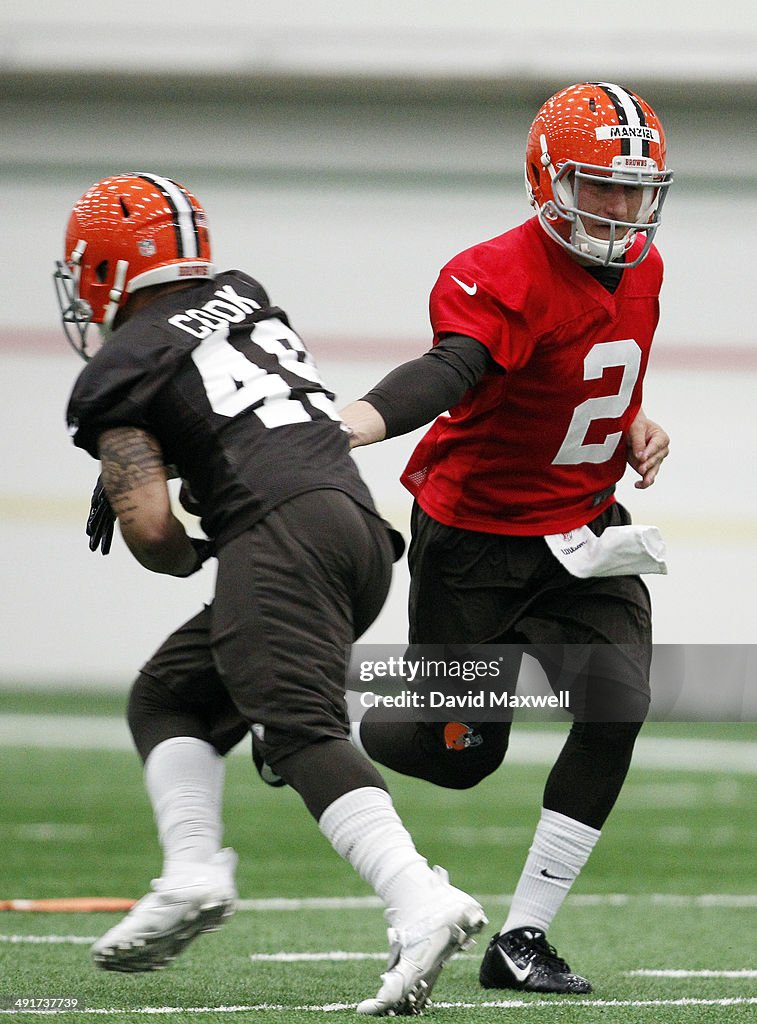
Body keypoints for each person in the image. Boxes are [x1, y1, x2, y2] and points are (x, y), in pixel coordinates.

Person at [55, 171, 487, 1015]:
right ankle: (190, 874)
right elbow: (246, 418)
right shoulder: (241, 297)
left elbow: (149, 529)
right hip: (356, 529)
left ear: (106, 270)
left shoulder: (119, 369)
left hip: (279, 537)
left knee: (297, 732)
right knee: (171, 695)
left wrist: (190, 549)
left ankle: (419, 899)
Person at [339, 82, 674, 994]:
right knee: (460, 755)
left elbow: (592, 364)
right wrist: (360, 420)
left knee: (618, 705)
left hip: (580, 532)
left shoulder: (642, 269)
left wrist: (632, 421)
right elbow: (456, 369)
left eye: (634, 187)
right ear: (547, 179)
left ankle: (520, 939)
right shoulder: (496, 271)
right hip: (476, 539)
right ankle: (323, 722)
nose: (620, 207)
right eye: (598, 185)